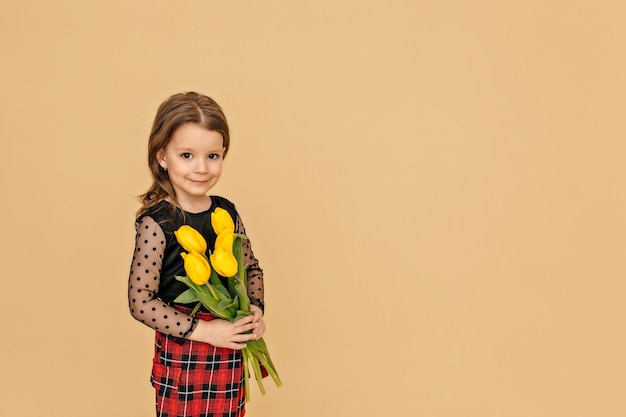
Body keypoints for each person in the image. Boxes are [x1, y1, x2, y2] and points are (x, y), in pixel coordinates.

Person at [128, 92, 266, 417]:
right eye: (187, 155)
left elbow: (251, 269)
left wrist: (255, 310)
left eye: (213, 156)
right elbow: (140, 300)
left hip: (229, 342)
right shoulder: (157, 222)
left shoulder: (226, 213)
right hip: (184, 346)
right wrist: (203, 331)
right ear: (162, 156)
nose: (201, 168)